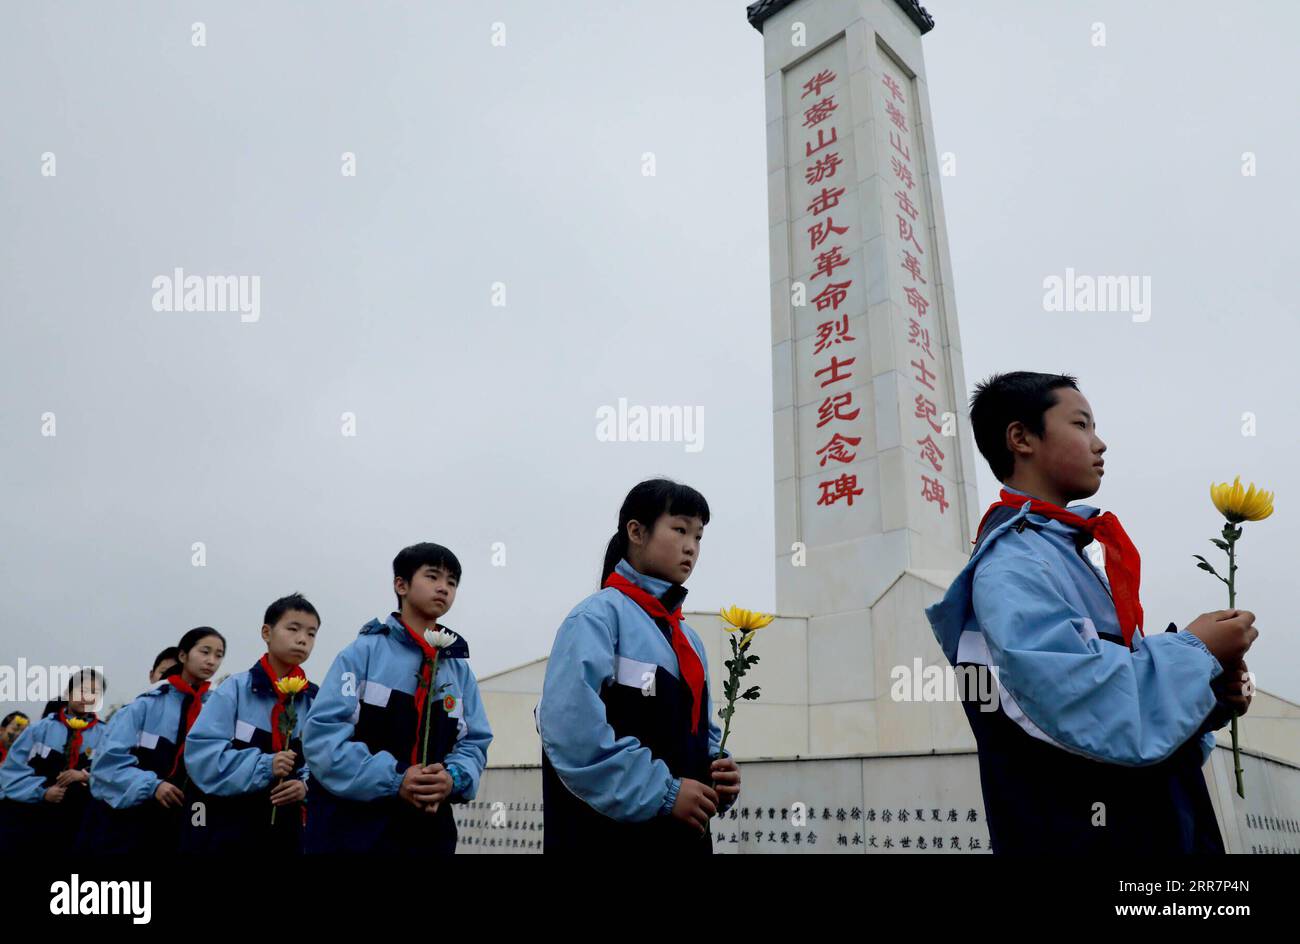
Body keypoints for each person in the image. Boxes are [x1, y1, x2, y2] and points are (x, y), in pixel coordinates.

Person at [925, 371, 1257, 854]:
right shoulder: (1012, 565)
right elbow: (1077, 702)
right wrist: (1194, 651)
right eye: (1081, 425)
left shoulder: (1061, 554)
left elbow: (1120, 703)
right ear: (1021, 438)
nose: (1099, 444)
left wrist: (1208, 693)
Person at [538, 478, 741, 853]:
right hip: (605, 837)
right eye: (680, 529)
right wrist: (663, 793)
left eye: (698, 537)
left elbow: (701, 732)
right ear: (636, 531)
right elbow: (571, 732)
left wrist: (717, 766)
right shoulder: (595, 619)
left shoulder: (689, 639)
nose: (690, 547)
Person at [302, 543, 491, 853]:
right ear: (400, 584)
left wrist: (452, 777)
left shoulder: (459, 670)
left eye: (452, 582)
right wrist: (396, 778)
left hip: (428, 832)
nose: (443, 588)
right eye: (432, 576)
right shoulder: (361, 654)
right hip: (352, 830)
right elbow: (323, 738)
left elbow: (475, 742)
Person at [183, 594, 320, 853]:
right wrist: (266, 765)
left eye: (311, 634)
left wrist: (305, 785)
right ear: (266, 633)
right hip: (230, 826)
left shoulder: (315, 700)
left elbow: (323, 759)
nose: (303, 639)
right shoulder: (235, 689)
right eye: (293, 629)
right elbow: (202, 756)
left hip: (287, 832)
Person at [84, 627, 226, 852]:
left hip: (187, 820)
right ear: (183, 655)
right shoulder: (143, 706)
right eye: (205, 652)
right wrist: (153, 786)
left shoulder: (217, 710)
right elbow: (106, 765)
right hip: (135, 818)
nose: (211, 661)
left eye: (218, 655)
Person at [0, 670, 105, 853]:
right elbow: (11, 773)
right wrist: (42, 792)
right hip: (34, 823)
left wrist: (86, 776)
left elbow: (115, 774)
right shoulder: (39, 730)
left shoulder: (107, 735)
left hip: (81, 827)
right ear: (68, 693)